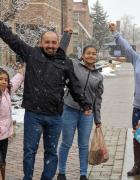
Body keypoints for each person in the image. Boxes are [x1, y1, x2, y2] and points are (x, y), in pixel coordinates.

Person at [0, 21, 92, 180]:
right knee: (29, 151)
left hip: (55, 116)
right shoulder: (31, 54)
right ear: (41, 43)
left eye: (54, 43)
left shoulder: (65, 62)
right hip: (33, 114)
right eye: (47, 42)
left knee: (51, 151)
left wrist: (85, 104)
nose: (50, 45)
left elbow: (75, 86)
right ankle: (27, 177)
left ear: (58, 44)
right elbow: (11, 39)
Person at [109, 22, 140, 178]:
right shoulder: (137, 59)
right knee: (138, 136)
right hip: (138, 107)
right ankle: (137, 166)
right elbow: (126, 48)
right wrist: (116, 33)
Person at [57, 45, 103, 180]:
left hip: (87, 114)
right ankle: (61, 172)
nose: (91, 56)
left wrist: (98, 119)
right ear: (82, 55)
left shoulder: (99, 76)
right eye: (88, 53)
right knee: (66, 142)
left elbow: (98, 100)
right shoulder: (74, 65)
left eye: (94, 53)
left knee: (83, 145)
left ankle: (83, 174)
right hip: (69, 109)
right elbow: (60, 57)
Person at [0, 67, 24, 180]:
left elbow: (16, 80)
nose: (3, 81)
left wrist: (24, 68)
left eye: (5, 79)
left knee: (3, 160)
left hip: (4, 135)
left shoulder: (7, 92)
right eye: (0, 79)